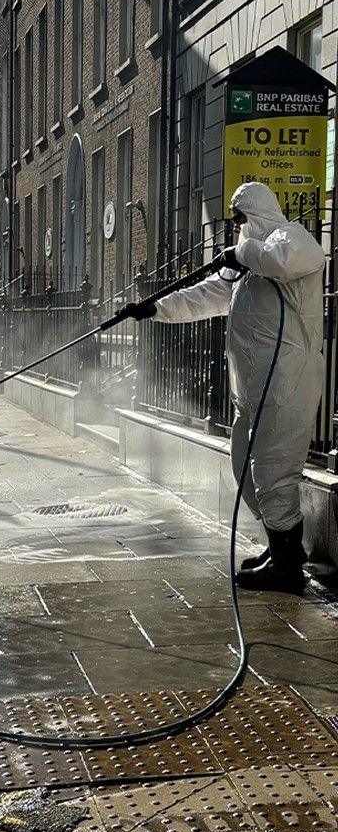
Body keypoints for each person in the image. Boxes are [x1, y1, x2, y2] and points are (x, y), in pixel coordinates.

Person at [119, 181, 324, 591]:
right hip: (250, 390)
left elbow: (285, 260)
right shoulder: (249, 268)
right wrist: (155, 308)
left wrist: (241, 252)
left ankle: (287, 565)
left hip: (285, 384)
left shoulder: (291, 239)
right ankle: (278, 543)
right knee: (244, 466)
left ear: (258, 213)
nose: (237, 226)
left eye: (241, 217)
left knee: (273, 470)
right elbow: (206, 296)